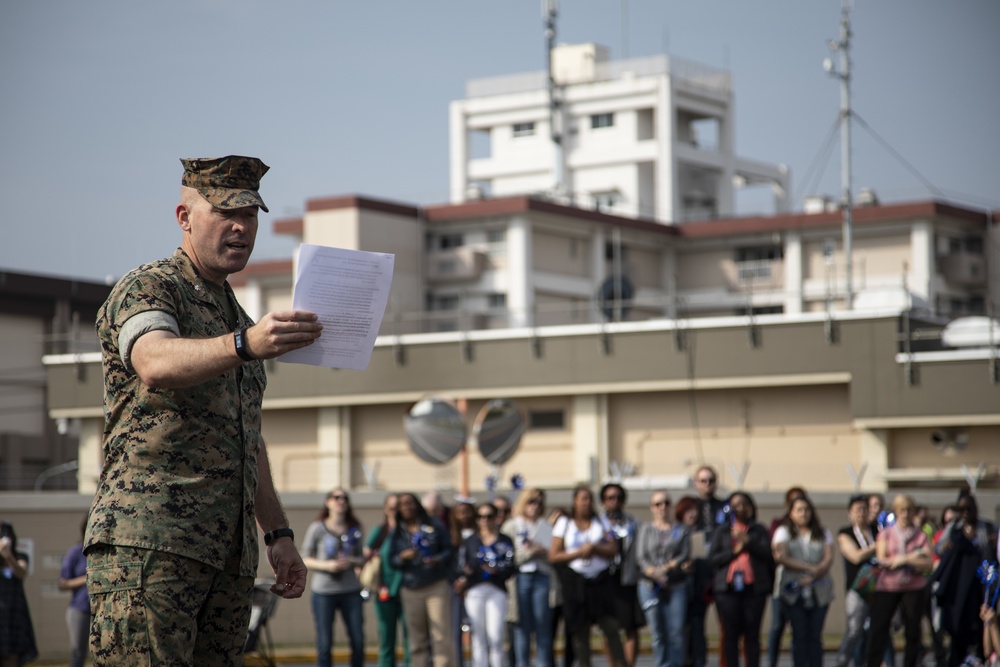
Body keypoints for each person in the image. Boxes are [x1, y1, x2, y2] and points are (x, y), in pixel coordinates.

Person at [85, 156, 321, 665]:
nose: (241, 226)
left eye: (251, 215)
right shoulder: (151, 286)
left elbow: (246, 438)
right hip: (152, 545)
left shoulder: (236, 313)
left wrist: (278, 534)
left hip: (229, 558)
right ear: (185, 217)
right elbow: (153, 361)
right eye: (225, 212)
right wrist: (244, 344)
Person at [549, 485, 627, 667]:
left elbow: (612, 548)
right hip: (576, 583)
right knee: (580, 633)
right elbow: (554, 555)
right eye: (582, 498)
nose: (586, 503)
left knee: (611, 627)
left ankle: (620, 663)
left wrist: (594, 548)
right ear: (574, 501)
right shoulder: (565, 523)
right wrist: (578, 553)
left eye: (589, 499)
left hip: (600, 581)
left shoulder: (601, 522)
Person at [389, 492, 455, 667]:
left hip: (435, 585)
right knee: (417, 638)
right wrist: (403, 557)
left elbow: (449, 550)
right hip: (411, 587)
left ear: (417, 505)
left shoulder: (433, 524)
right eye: (402, 504)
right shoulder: (397, 531)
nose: (407, 507)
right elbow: (391, 560)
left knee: (441, 635)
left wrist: (437, 559)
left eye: (410, 503)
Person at [866, 494, 932, 667]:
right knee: (879, 629)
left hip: (913, 586)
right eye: (902, 510)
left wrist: (904, 560)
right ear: (896, 511)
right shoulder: (886, 534)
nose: (906, 514)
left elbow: (928, 562)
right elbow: (882, 559)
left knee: (913, 630)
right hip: (888, 586)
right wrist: (914, 556)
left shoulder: (920, 535)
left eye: (909, 510)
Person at [302, 488, 366, 667]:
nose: (341, 501)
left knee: (358, 640)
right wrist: (327, 566)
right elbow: (305, 558)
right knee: (324, 643)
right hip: (324, 591)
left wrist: (351, 561)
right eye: (336, 497)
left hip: (350, 590)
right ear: (327, 502)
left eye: (344, 498)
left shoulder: (355, 528)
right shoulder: (317, 528)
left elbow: (362, 558)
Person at [934, 492, 999, 666]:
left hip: (980, 586)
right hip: (959, 588)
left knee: (981, 625)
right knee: (957, 631)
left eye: (968, 509)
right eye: (961, 509)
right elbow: (938, 548)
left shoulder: (987, 527)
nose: (965, 513)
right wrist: (948, 546)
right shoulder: (954, 528)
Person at [710, 492, 774, 667]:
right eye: (736, 504)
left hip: (753, 589)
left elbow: (768, 556)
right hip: (728, 589)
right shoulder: (722, 531)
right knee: (730, 635)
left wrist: (748, 542)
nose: (741, 508)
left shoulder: (758, 530)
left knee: (752, 635)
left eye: (745, 504)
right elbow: (713, 559)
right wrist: (734, 551)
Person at [772, 494, 834, 667]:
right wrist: (807, 568)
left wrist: (816, 572)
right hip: (793, 590)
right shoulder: (783, 532)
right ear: (791, 513)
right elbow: (781, 556)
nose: (803, 513)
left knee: (815, 635)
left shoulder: (822, 532)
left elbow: (828, 557)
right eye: (799, 510)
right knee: (799, 633)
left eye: (807, 509)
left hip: (819, 589)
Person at [455, 503, 516, 667]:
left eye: (489, 516)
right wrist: (465, 573)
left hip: (496, 590)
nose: (485, 520)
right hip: (475, 590)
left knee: (495, 636)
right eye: (481, 517)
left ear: (496, 517)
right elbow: (463, 565)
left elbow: (510, 566)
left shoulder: (505, 540)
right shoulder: (471, 541)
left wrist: (496, 570)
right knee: (478, 637)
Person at [635, 490, 690, 667]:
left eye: (666, 503)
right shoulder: (645, 529)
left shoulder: (680, 530)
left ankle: (676, 664)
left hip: (675, 584)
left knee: (676, 631)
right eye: (658, 504)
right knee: (657, 632)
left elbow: (684, 553)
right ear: (652, 508)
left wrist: (667, 568)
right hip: (650, 585)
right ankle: (662, 663)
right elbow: (640, 557)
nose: (662, 507)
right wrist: (653, 572)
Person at [507, 488, 555, 667]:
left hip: (541, 576)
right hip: (520, 577)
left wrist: (539, 550)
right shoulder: (513, 525)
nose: (535, 506)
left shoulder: (545, 526)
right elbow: (511, 557)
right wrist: (531, 552)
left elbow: (552, 554)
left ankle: (543, 663)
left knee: (543, 624)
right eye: (531, 502)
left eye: (539, 503)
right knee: (521, 626)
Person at [601, 483, 645, 667]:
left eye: (618, 497)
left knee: (630, 627)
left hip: (626, 578)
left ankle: (628, 664)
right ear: (604, 501)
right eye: (610, 497)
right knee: (609, 628)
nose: (615, 501)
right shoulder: (598, 523)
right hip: (604, 580)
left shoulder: (633, 523)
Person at [365, 493, 411, 667]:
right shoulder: (381, 531)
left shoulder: (408, 531)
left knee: (411, 639)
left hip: (407, 589)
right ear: (385, 509)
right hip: (385, 590)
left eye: (397, 507)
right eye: (391, 507)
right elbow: (366, 554)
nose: (394, 511)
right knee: (386, 638)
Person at [834, 494, 876, 667]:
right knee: (854, 630)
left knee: (879, 630)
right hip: (857, 588)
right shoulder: (846, 533)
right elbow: (856, 557)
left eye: (865, 509)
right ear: (850, 513)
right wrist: (878, 546)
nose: (862, 513)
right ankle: (842, 662)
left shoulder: (877, 531)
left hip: (879, 587)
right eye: (857, 510)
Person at [766, 487, 807, 667]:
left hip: (806, 583)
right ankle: (770, 663)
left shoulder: (812, 528)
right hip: (783, 584)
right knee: (777, 626)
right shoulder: (780, 526)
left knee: (800, 630)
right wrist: (808, 566)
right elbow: (780, 555)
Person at [0, 521, 38, 667]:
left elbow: (21, 572)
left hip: (13, 615)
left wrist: (8, 556)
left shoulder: (20, 557)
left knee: (12, 657)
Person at [59, 516, 90, 667]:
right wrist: (88, 577)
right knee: (78, 653)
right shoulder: (76, 552)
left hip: (102, 610)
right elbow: (63, 583)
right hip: (80, 609)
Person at [451, 501, 477, 666]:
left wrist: (468, 580)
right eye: (460, 512)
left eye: (467, 512)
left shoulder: (478, 535)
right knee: (455, 632)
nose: (464, 516)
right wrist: (457, 580)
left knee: (477, 631)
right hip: (454, 586)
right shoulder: (450, 536)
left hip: (474, 585)